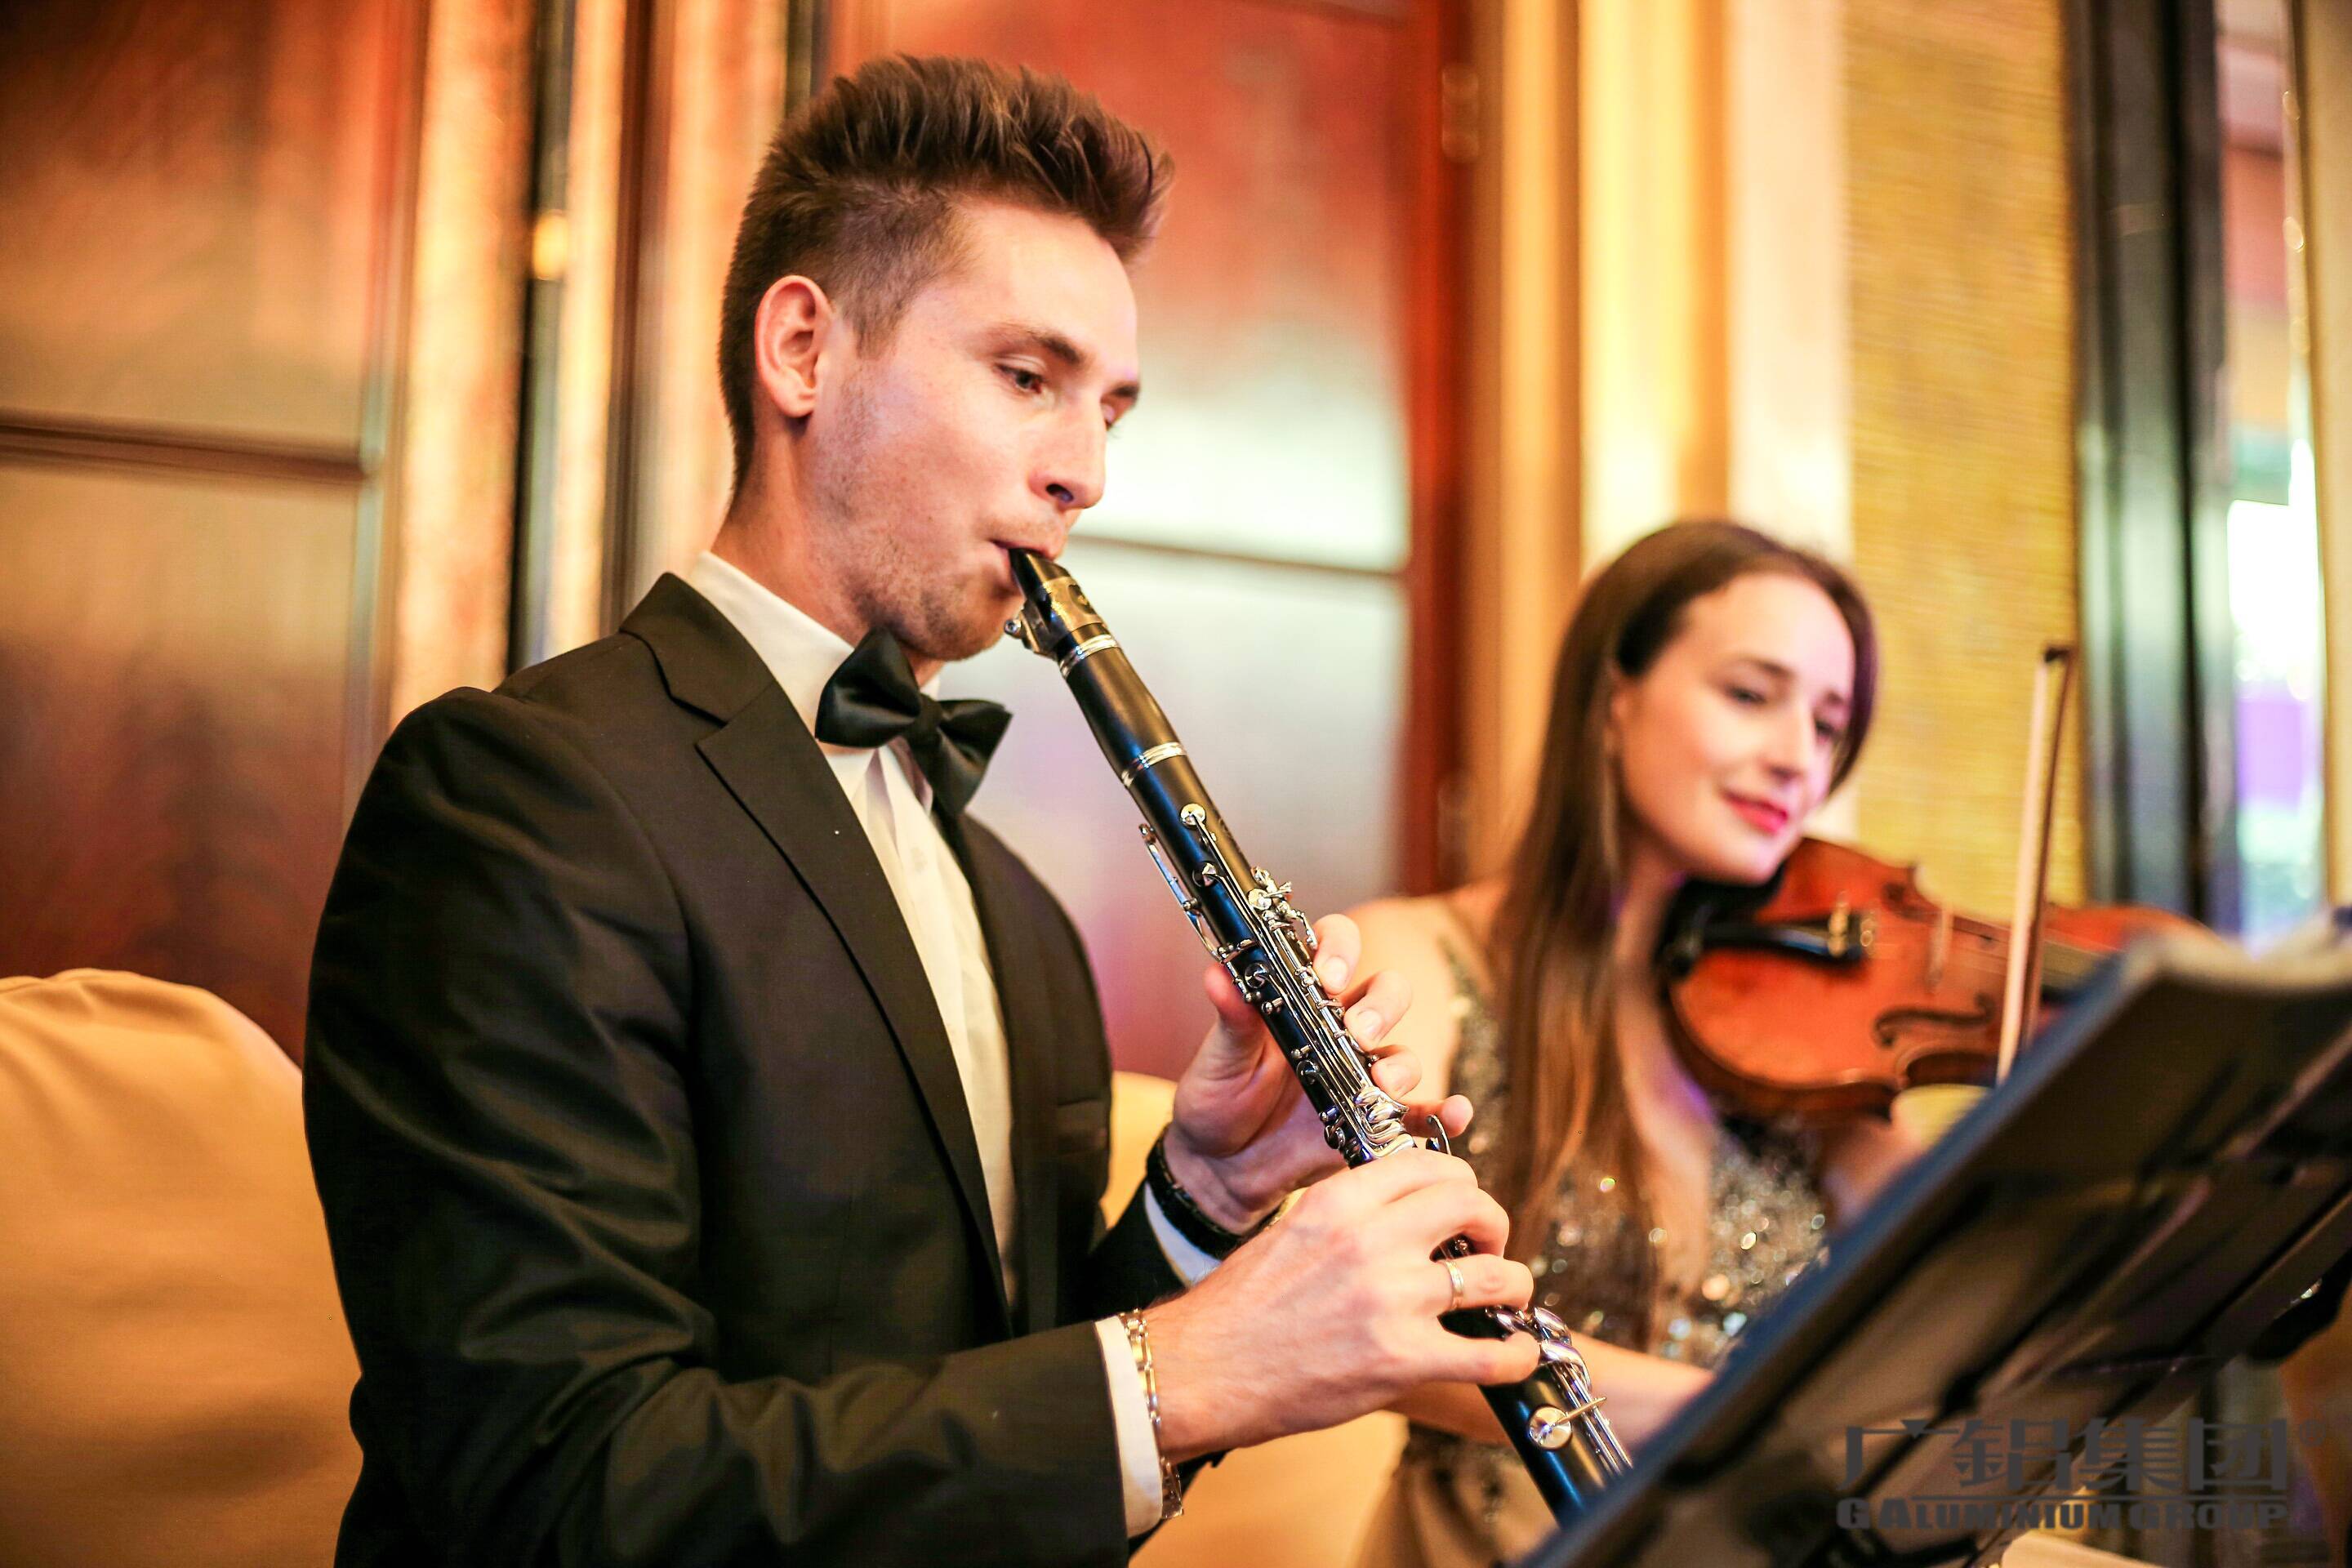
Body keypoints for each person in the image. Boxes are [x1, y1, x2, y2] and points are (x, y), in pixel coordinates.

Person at [302, 56, 1539, 1568]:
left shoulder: (1016, 916)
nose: (1084, 472)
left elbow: (1003, 1441)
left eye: (1110, 409)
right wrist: (1195, 1366)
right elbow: (554, 1488)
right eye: (1027, 378)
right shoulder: (517, 802)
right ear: (804, 350)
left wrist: (1204, 1203)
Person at [1345, 519, 1925, 1566]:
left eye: (1828, 724)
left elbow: (1955, 1285)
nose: (1798, 758)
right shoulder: (1417, 961)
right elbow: (1382, 1321)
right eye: (1750, 695)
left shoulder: (1803, 1030)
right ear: (1614, 699)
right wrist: (1746, 1425)